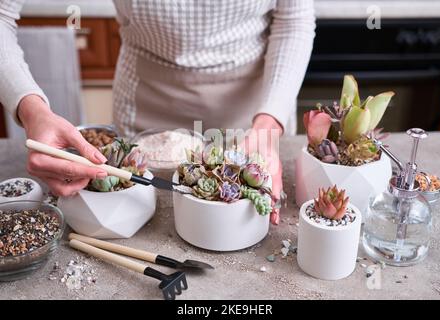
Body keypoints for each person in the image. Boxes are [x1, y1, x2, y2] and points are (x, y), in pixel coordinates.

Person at [0, 0, 315, 224]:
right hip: (146, 103)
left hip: (255, 110)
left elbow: (294, 21)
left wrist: (268, 124)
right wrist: (31, 108)